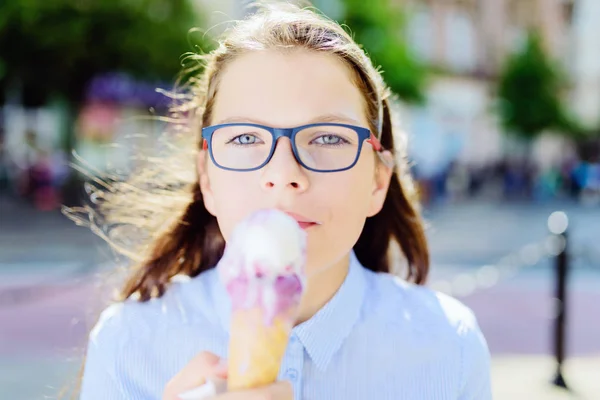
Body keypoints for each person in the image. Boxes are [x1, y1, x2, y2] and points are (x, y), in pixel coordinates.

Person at [78, 2, 491, 399]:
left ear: (378, 181)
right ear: (207, 178)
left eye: (329, 138)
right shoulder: (128, 343)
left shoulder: (448, 344)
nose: (284, 175)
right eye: (245, 138)